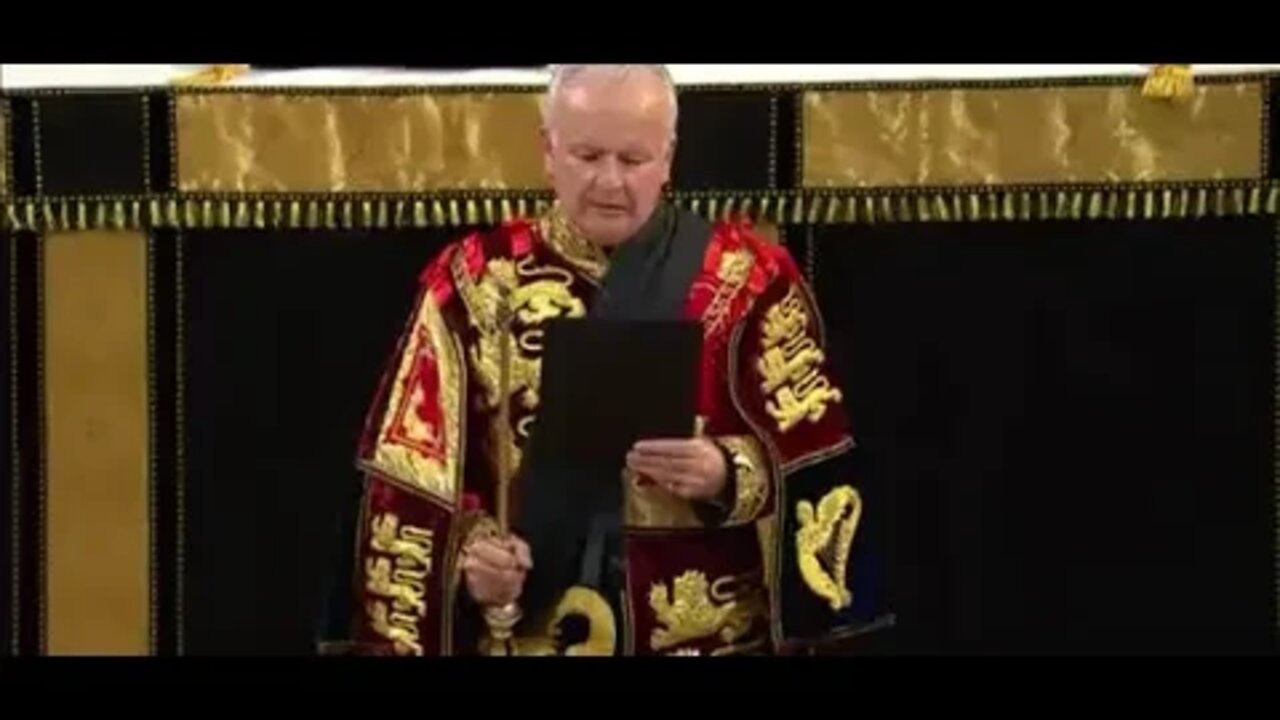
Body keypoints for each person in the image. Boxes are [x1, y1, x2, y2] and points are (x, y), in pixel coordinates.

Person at [315, 64, 888, 656]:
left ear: (668, 157)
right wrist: (472, 554)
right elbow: (406, 482)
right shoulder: (472, 283)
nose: (609, 182)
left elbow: (821, 469)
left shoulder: (752, 282)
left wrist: (727, 472)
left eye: (633, 160)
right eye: (587, 156)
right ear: (548, 150)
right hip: (529, 632)